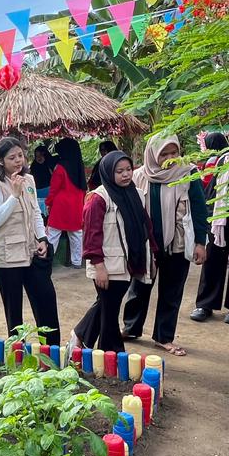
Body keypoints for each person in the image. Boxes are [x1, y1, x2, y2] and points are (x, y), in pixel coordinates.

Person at [122, 136, 210, 356]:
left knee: (171, 291)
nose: (170, 159)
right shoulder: (140, 175)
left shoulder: (188, 174)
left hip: (177, 244)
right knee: (139, 287)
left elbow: (199, 210)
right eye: (164, 154)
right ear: (153, 155)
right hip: (146, 245)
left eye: (174, 153)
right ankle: (131, 328)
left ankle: (164, 337)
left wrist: (200, 242)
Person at [70, 151, 154, 353]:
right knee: (109, 309)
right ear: (108, 172)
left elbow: (145, 227)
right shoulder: (99, 198)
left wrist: (152, 255)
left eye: (128, 170)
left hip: (128, 263)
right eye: (119, 171)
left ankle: (81, 335)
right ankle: (112, 352)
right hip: (107, 265)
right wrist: (99, 266)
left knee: (108, 305)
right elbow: (91, 235)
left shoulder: (135, 193)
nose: (126, 175)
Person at [0, 137, 61, 345]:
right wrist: (14, 196)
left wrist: (42, 238)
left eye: (20, 155)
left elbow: (36, 212)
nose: (18, 161)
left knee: (46, 301)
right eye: (12, 157)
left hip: (32, 251)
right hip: (7, 257)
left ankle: (52, 351)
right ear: (1, 161)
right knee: (14, 312)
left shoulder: (30, 180)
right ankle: (18, 354)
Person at [191, 121, 229, 324]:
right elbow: (212, 191)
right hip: (220, 220)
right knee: (213, 259)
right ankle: (205, 304)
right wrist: (209, 218)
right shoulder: (224, 160)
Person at [45, 138, 87, 268]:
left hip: (60, 205)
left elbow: (54, 188)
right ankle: (77, 262)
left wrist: (48, 202)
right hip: (76, 205)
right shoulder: (79, 166)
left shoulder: (60, 167)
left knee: (53, 234)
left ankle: (47, 259)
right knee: (76, 234)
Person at [29, 144, 56, 217]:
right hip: (37, 192)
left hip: (49, 191)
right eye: (37, 156)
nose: (39, 158)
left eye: (41, 155)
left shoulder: (50, 164)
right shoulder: (33, 166)